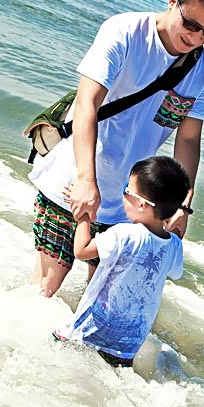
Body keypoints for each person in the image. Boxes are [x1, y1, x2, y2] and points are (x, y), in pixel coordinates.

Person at [30, 0, 204, 297]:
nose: (196, 38)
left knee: (102, 301)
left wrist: (183, 204)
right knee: (45, 289)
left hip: (131, 203)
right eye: (190, 24)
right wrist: (86, 179)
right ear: (173, 0)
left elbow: (188, 138)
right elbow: (87, 105)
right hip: (72, 182)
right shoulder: (125, 32)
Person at [53, 156, 190, 368]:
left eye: (127, 190)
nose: (123, 194)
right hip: (128, 342)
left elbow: (81, 251)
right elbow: (175, 272)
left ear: (142, 204)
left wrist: (82, 215)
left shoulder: (124, 234)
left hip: (91, 327)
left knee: (55, 357)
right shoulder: (174, 246)